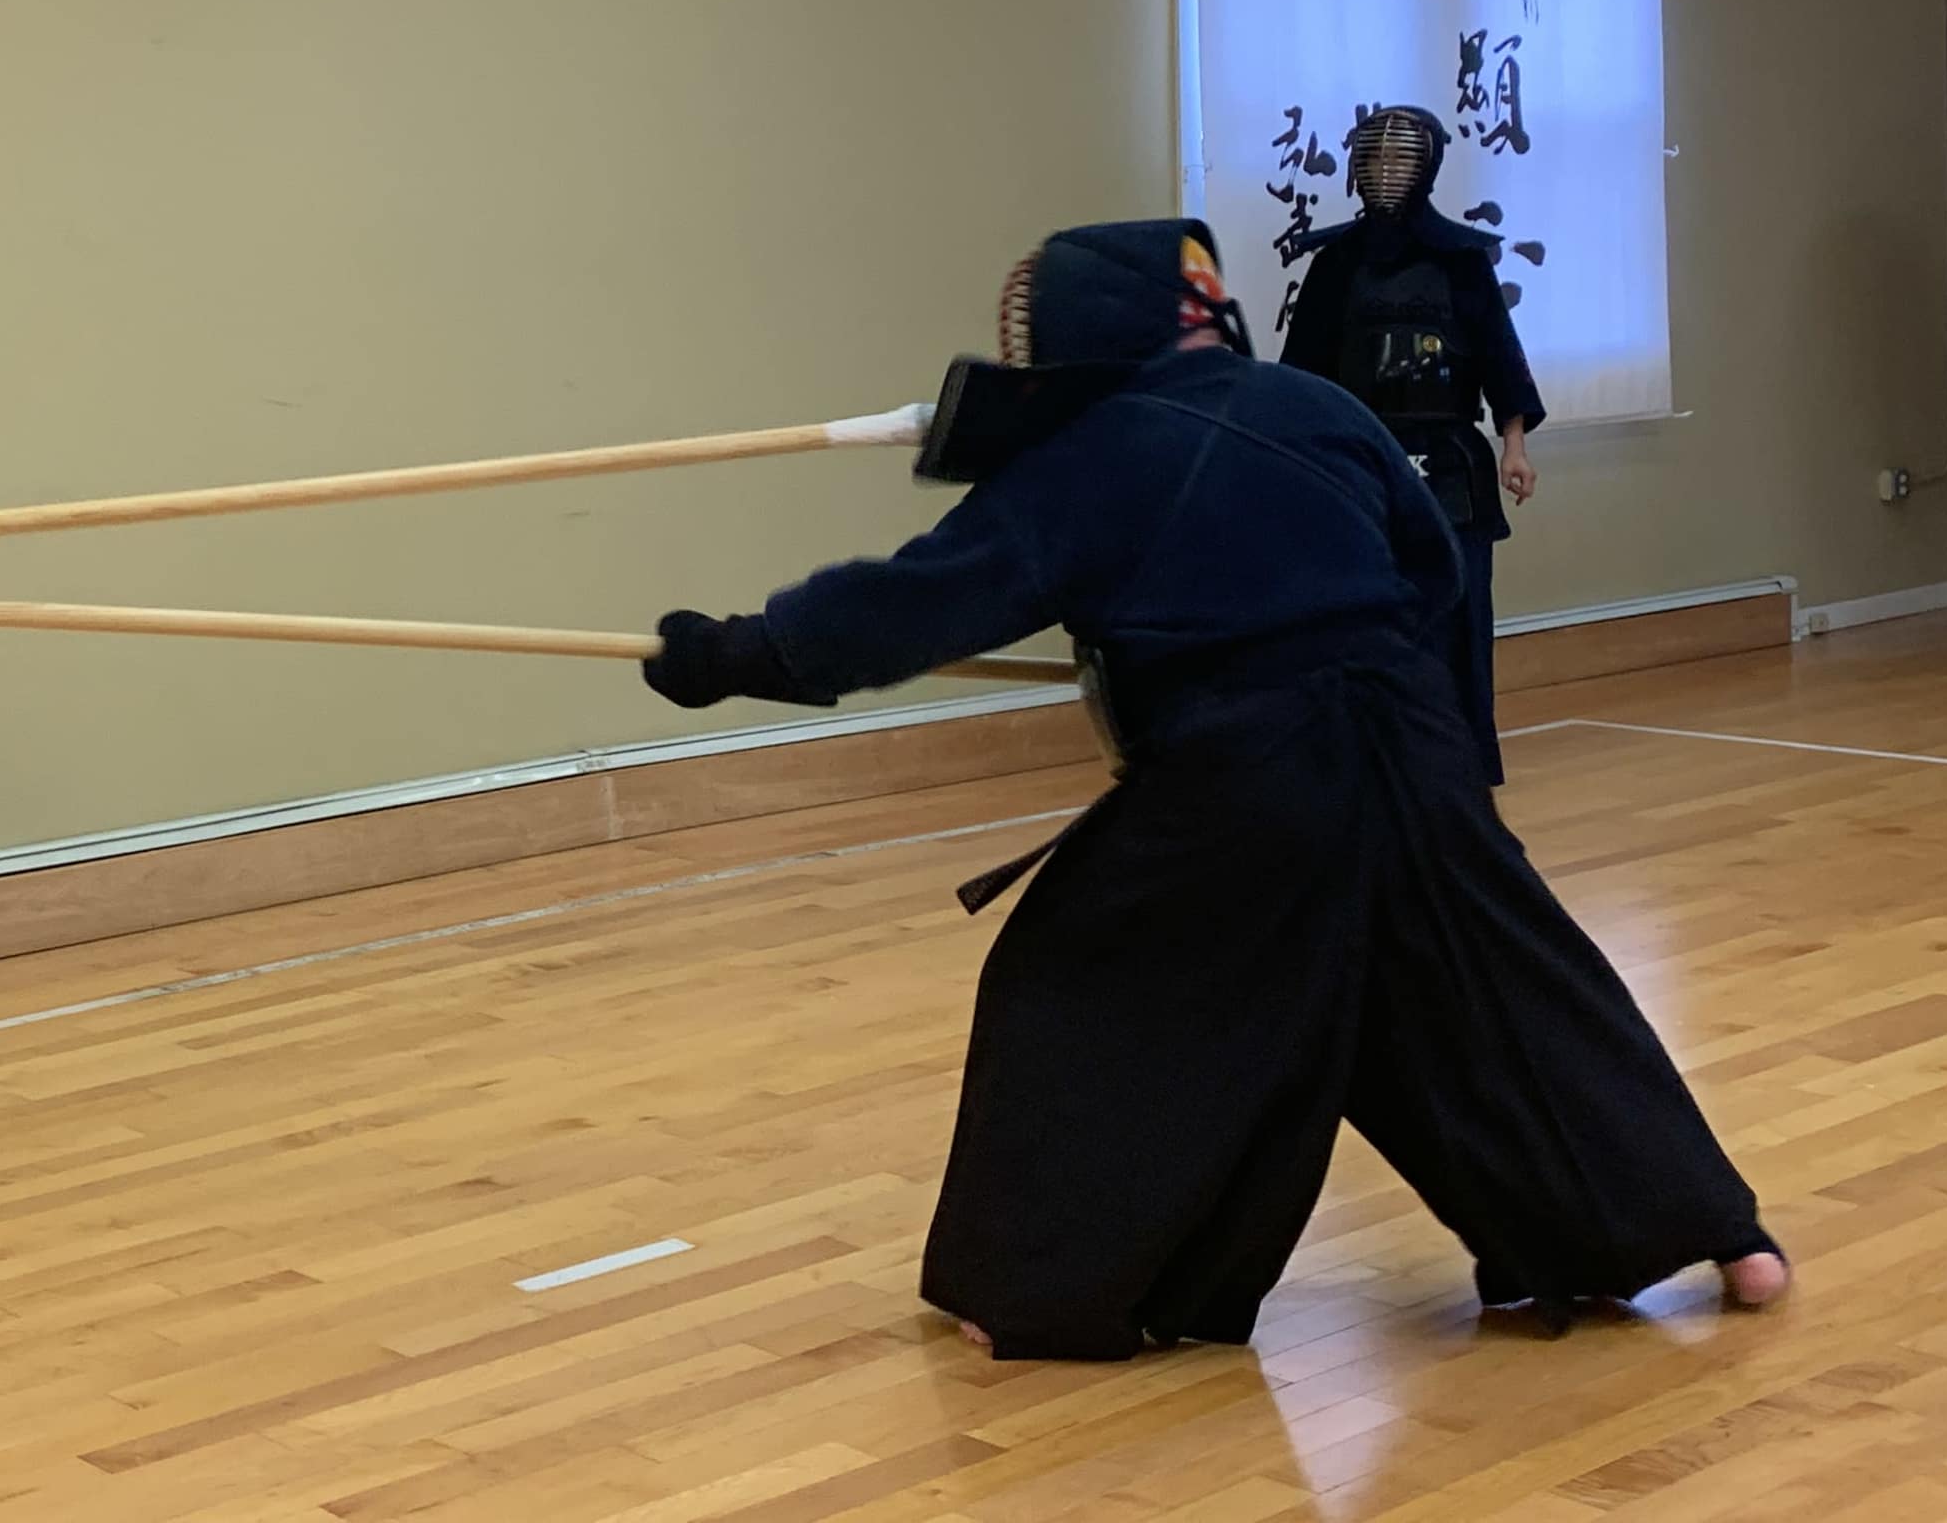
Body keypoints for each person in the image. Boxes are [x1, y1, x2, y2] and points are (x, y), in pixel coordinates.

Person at [639, 218, 1779, 1360]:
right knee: (1495, 985)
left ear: (1084, 333)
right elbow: (1431, 570)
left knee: (1076, 980)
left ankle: (1048, 1285)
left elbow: (915, 603)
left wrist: (736, 653)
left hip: (1248, 772)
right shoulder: (1322, 407)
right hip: (1415, 743)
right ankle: (1717, 1234)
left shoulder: (1090, 453)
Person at [1279, 106, 1544, 785]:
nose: (1387, 171)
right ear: (1357, 167)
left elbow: (1500, 357)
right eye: (1375, 158)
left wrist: (1514, 445)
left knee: (1458, 615)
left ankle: (1461, 764)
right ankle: (1365, 761)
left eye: (1402, 158)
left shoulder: (1462, 261)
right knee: (1358, 614)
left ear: (1427, 166)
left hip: (1450, 458)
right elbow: (1301, 373)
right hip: (1359, 459)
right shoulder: (1335, 263)